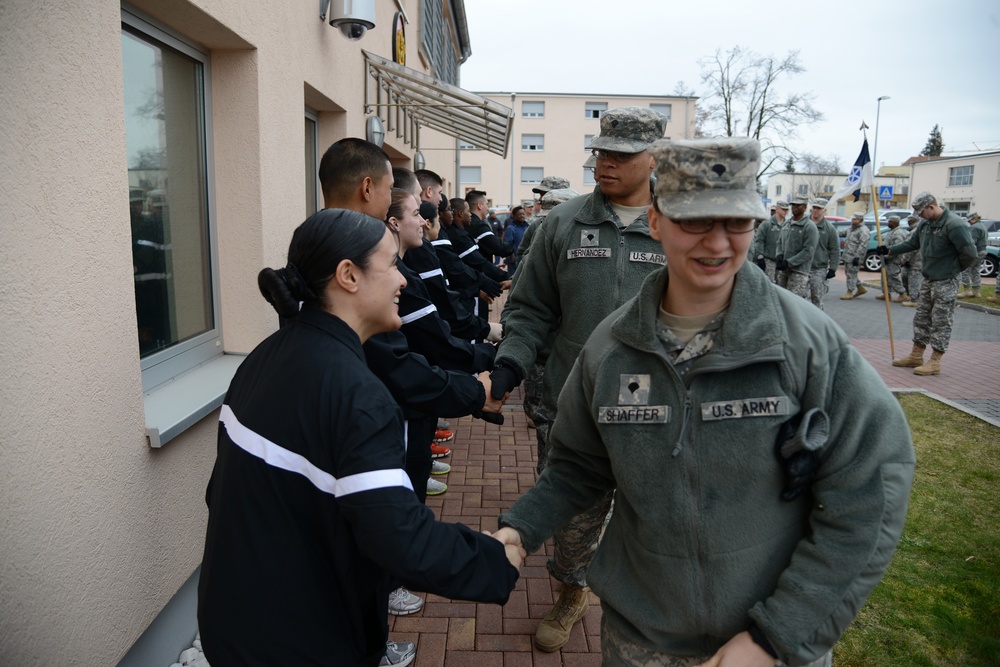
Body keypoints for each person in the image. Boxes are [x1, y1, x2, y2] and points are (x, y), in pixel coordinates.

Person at [493, 138, 915, 667]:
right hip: (641, 641)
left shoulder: (806, 344)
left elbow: (870, 489)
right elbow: (578, 465)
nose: (717, 244)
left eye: (736, 223)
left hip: (768, 646)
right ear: (655, 221)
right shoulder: (612, 349)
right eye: (695, 221)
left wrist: (776, 636)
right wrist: (520, 529)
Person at [198, 209, 523, 667]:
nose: (403, 281)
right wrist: (491, 561)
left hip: (235, 618)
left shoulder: (266, 357)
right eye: (391, 265)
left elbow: (226, 496)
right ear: (348, 276)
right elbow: (400, 540)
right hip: (297, 641)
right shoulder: (357, 395)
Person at [490, 106, 668, 652]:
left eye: (621, 154)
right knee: (571, 516)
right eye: (601, 152)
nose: (604, 163)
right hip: (573, 403)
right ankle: (572, 592)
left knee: (659, 515)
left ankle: (651, 599)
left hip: (660, 409)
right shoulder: (560, 225)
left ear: (654, 158)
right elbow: (529, 310)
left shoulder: (680, 225)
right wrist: (511, 365)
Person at [319, 138, 507, 620]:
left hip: (371, 418)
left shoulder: (322, 252)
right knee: (378, 518)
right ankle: (372, 617)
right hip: (380, 419)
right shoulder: (348, 255)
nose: (401, 281)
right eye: (390, 270)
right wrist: (476, 390)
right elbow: (400, 365)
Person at [877, 191, 977, 375]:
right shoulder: (925, 224)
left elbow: (970, 254)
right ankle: (916, 355)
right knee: (922, 318)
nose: (920, 216)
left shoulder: (954, 224)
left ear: (931, 207)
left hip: (946, 280)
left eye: (922, 212)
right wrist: (889, 250)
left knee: (941, 321)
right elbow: (912, 243)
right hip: (929, 279)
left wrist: (953, 270)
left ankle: (935, 361)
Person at [775, 195, 818, 299]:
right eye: (793, 205)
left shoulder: (809, 226)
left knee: (794, 303)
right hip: (783, 271)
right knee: (781, 301)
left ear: (805, 207)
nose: (794, 207)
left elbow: (808, 251)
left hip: (799, 272)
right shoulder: (787, 223)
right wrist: (779, 255)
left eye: (798, 205)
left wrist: (789, 262)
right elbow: (780, 242)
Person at [467, 190, 516, 267]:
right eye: (487, 204)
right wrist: (511, 250)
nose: (488, 208)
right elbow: (498, 246)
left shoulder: (469, 222)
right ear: (479, 205)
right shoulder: (478, 225)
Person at [807, 198, 839, 310]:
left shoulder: (830, 229)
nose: (815, 210)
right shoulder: (803, 223)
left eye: (818, 208)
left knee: (816, 298)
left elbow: (835, 249)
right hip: (801, 267)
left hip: (818, 268)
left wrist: (833, 268)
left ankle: (817, 324)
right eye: (814, 208)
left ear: (824, 210)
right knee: (798, 298)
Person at [752, 200, 788, 283]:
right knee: (769, 284)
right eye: (783, 209)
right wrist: (760, 257)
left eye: (787, 210)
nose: (785, 211)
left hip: (782, 261)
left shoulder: (788, 225)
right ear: (777, 209)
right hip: (769, 260)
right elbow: (759, 241)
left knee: (781, 286)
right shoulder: (766, 224)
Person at [876, 215, 909, 302]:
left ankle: (902, 294)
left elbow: (897, 248)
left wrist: (887, 256)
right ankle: (886, 293)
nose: (888, 223)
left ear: (895, 222)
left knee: (893, 277)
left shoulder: (898, 233)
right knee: (885, 277)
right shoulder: (891, 232)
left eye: (890, 222)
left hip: (893, 260)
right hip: (886, 259)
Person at [839, 211, 870, 300]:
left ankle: (850, 291)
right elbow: (841, 233)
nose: (852, 220)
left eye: (854, 219)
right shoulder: (851, 228)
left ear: (859, 220)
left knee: (851, 273)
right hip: (848, 255)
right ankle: (860, 288)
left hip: (855, 256)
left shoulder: (864, 230)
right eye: (852, 219)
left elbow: (863, 245)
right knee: (849, 273)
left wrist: (857, 257)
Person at [958, 211, 987, 299]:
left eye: (970, 220)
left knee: (965, 270)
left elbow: (971, 242)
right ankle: (976, 291)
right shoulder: (982, 226)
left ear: (975, 218)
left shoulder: (975, 228)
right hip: (982, 251)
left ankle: (967, 290)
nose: (969, 222)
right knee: (975, 271)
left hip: (976, 252)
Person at [899, 214, 923, 307]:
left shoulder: (914, 231)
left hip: (916, 261)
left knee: (914, 280)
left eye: (910, 220)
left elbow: (910, 248)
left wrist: (904, 260)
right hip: (914, 260)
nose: (908, 222)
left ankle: (915, 300)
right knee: (905, 277)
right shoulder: (915, 230)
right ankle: (910, 296)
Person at [502, 206, 530, 273]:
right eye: (520, 214)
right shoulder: (511, 228)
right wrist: (511, 257)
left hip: (526, 259)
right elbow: (508, 244)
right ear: (514, 216)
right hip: (514, 261)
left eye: (523, 214)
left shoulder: (527, 226)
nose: (522, 216)